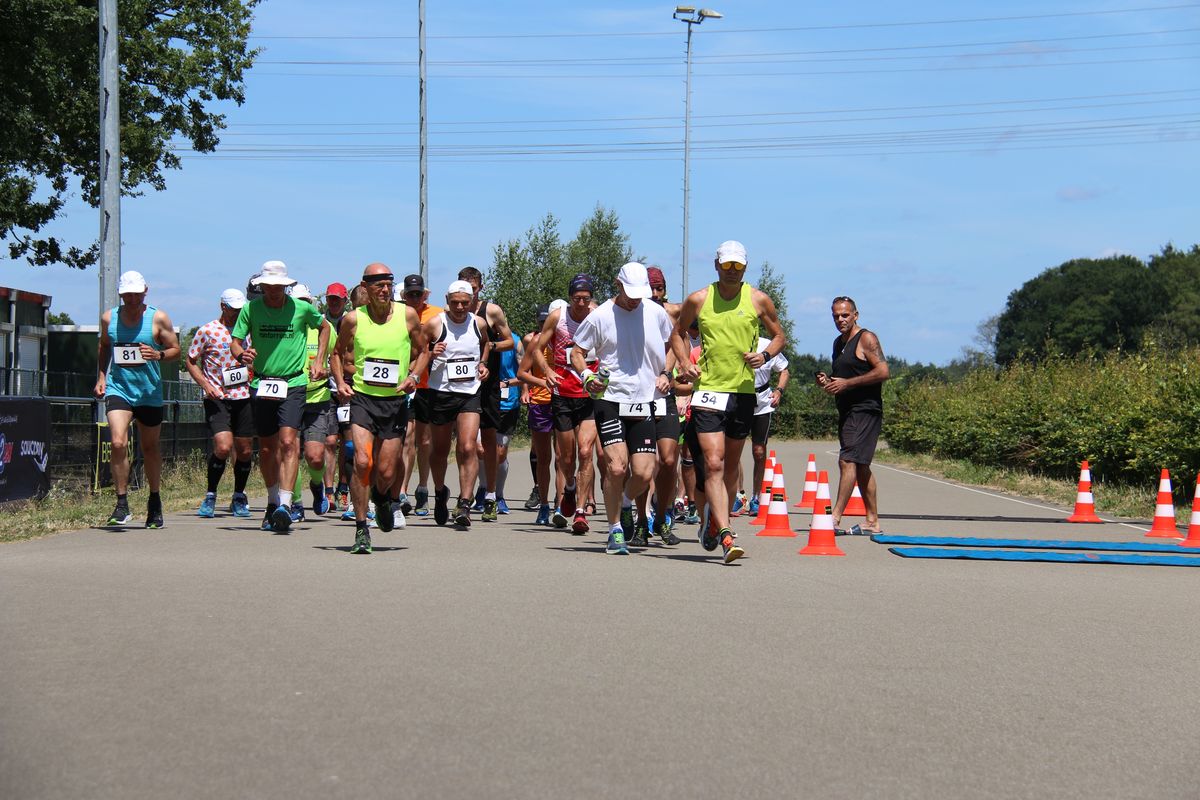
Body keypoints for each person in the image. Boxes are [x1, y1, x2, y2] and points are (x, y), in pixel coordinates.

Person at [672, 240, 786, 565]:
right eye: (727, 266)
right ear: (717, 265)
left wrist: (764, 355)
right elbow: (677, 333)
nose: (732, 272)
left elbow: (779, 335)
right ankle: (725, 535)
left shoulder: (758, 299)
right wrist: (684, 363)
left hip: (743, 393)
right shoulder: (699, 299)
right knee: (714, 463)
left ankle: (714, 519)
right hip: (708, 390)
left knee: (731, 466)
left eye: (738, 267)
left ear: (745, 268)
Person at [571, 263, 674, 555]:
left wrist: (666, 372)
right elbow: (577, 353)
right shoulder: (600, 316)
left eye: (639, 294)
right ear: (617, 284)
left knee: (643, 472)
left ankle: (627, 501)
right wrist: (587, 376)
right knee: (617, 467)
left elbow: (671, 345)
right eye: (630, 293)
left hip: (645, 399)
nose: (634, 299)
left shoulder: (655, 312)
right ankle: (615, 528)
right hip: (611, 399)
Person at [332, 263, 429, 554]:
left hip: (394, 401)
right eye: (378, 285)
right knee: (362, 462)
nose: (385, 290)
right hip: (363, 398)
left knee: (386, 471)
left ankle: (383, 496)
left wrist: (413, 376)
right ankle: (362, 528)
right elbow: (336, 354)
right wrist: (340, 383)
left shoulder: (407, 315)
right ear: (365, 287)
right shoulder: (352, 319)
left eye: (388, 284)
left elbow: (424, 350)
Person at [229, 260, 330, 534]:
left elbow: (325, 328)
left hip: (294, 383)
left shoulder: (302, 308)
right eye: (268, 287)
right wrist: (241, 354)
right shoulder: (251, 309)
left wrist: (319, 360)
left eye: (278, 287)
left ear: (286, 287)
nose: (273, 291)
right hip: (262, 382)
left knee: (288, 442)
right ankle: (273, 502)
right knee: (266, 448)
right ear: (261, 286)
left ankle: (286, 503)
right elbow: (236, 341)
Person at [94, 270, 181, 528]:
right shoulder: (109, 318)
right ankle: (121, 503)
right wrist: (101, 377)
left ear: (145, 291)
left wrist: (159, 356)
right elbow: (104, 346)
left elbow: (176, 349)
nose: (131, 299)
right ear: (121, 294)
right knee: (118, 441)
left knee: (150, 447)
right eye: (126, 295)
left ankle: (154, 501)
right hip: (119, 388)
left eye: (136, 294)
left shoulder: (158, 318)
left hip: (148, 391)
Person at [531, 275, 599, 534]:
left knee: (585, 452)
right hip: (562, 392)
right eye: (576, 298)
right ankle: (569, 487)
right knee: (567, 457)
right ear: (570, 297)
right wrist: (547, 370)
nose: (581, 303)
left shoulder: (598, 314)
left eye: (586, 298)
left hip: (590, 392)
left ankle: (580, 512)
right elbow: (538, 347)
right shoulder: (558, 317)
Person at [816, 296, 889, 533]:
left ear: (855, 315)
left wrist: (848, 384)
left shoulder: (866, 338)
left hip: (865, 409)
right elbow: (843, 378)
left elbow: (883, 371)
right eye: (836, 315)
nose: (840, 319)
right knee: (861, 466)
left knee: (847, 460)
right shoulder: (838, 343)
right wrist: (828, 382)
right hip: (846, 410)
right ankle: (872, 522)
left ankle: (834, 518)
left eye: (845, 315)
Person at [423, 280, 492, 528]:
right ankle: (440, 491)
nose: (460, 307)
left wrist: (483, 364)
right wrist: (431, 352)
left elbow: (486, 343)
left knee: (467, 446)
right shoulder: (435, 323)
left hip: (469, 392)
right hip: (440, 392)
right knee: (440, 450)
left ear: (472, 300)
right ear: (447, 300)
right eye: (455, 303)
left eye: (465, 302)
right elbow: (415, 352)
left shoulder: (478, 323)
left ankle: (464, 503)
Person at [185, 288, 254, 519]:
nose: (236, 314)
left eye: (239, 309)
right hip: (218, 398)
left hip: (243, 396)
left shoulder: (248, 330)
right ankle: (211, 494)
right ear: (222, 307)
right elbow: (191, 360)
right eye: (232, 309)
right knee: (223, 446)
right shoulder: (208, 331)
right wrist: (206, 385)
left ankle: (238, 496)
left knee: (244, 450)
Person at [457, 266, 515, 523]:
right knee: (466, 443)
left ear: (480, 288)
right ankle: (465, 497)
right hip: (460, 385)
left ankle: (491, 494)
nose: (468, 294)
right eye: (464, 289)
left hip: (488, 384)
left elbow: (510, 341)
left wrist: (488, 345)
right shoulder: (452, 313)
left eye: (473, 288)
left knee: (489, 440)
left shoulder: (491, 311)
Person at [394, 273, 442, 518]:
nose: (414, 298)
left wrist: (433, 353)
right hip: (406, 383)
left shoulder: (437, 313)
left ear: (425, 294)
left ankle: (423, 487)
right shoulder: (397, 313)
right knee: (407, 438)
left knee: (424, 442)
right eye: (410, 294)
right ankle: (402, 490)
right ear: (404, 296)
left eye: (418, 294)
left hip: (430, 385)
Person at [290, 284, 339, 521]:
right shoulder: (286, 328)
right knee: (289, 451)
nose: (302, 306)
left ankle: (318, 486)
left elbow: (339, 358)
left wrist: (327, 370)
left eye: (306, 302)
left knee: (315, 456)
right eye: (297, 302)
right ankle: (296, 502)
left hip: (318, 398)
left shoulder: (324, 328)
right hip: (289, 396)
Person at [517, 302, 561, 526]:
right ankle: (543, 504)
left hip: (564, 403)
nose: (545, 325)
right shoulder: (534, 342)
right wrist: (541, 382)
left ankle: (560, 505)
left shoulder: (568, 343)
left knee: (564, 458)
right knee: (543, 458)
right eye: (541, 322)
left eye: (549, 322)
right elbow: (521, 373)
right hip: (541, 404)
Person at [745, 337, 790, 517]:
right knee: (731, 450)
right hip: (739, 399)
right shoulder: (736, 340)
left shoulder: (768, 345)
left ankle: (756, 496)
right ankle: (736, 495)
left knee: (759, 451)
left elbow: (784, 370)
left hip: (762, 401)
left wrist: (779, 391)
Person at [324, 282, 352, 511]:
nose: (333, 302)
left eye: (337, 299)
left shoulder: (352, 321)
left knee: (347, 443)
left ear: (345, 301)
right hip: (326, 388)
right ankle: (328, 491)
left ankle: (344, 487)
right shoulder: (318, 322)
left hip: (348, 389)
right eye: (330, 298)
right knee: (330, 441)